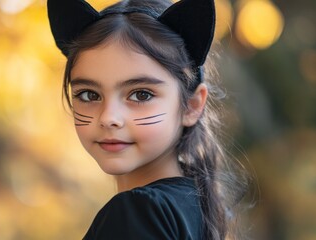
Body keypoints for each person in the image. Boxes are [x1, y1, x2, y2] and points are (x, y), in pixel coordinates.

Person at [47, 0, 248, 239]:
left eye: (141, 95)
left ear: (192, 105)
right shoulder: (196, 208)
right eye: (89, 95)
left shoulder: (138, 212)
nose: (109, 118)